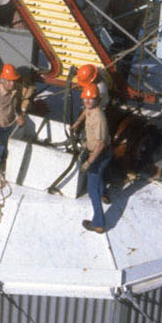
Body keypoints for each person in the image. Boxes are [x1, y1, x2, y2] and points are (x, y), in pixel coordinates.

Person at [69, 82, 110, 234]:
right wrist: (76, 124)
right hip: (97, 151)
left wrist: (88, 162)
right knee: (99, 179)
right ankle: (105, 193)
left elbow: (100, 145)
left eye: (90, 99)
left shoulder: (99, 117)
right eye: (85, 99)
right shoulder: (90, 109)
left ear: (97, 99)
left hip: (99, 154)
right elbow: (85, 112)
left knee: (92, 189)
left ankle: (98, 224)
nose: (87, 101)